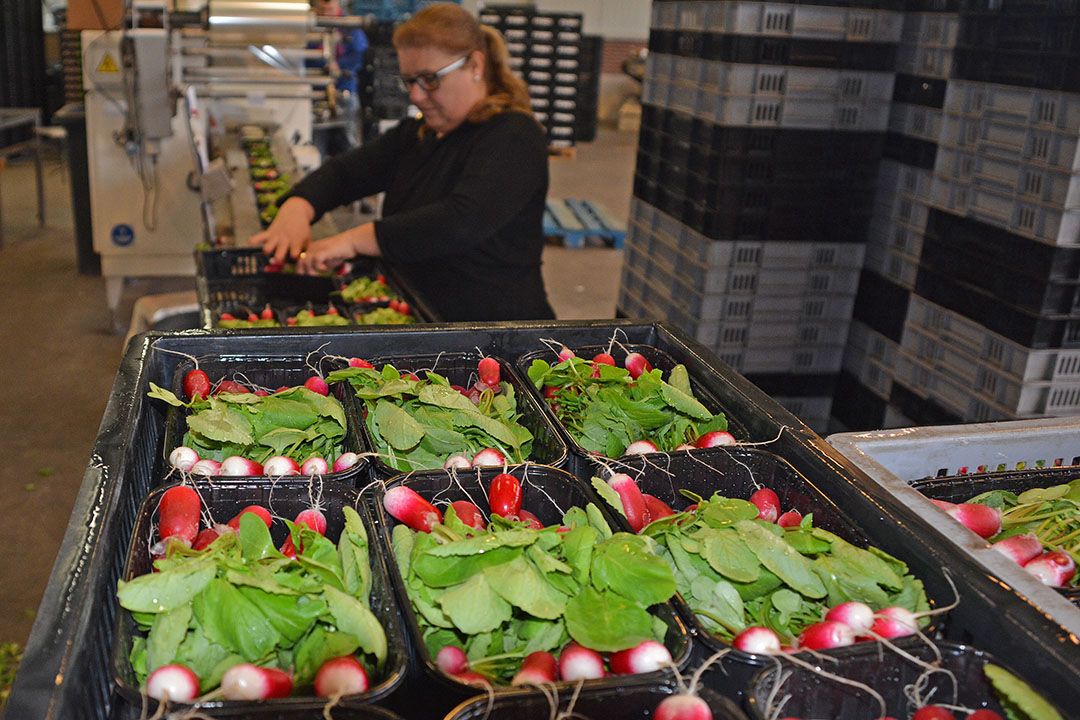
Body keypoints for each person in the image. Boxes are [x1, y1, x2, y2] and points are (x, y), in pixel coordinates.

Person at [250, 3, 555, 322]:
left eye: (429, 79)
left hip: (497, 333)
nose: (417, 96)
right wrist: (299, 207)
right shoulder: (418, 135)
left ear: (475, 65)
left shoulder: (514, 135)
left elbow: (459, 221)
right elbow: (346, 173)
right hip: (426, 320)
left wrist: (354, 240)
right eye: (409, 81)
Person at [310, 0, 368, 156]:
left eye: (330, 4)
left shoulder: (349, 26)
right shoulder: (308, 25)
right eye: (322, 4)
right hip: (314, 96)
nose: (326, 8)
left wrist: (340, 66)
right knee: (315, 148)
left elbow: (359, 54)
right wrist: (323, 64)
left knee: (350, 147)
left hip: (345, 91)